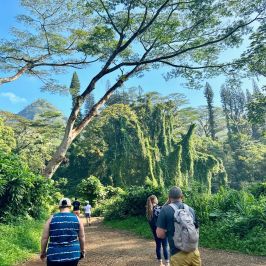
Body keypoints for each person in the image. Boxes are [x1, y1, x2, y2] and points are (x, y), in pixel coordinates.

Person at [156, 187, 201, 266]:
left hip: (177, 255)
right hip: (194, 252)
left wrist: (169, 231)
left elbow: (160, 234)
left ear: (169, 197)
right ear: (182, 196)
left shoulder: (165, 210)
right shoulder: (190, 210)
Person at [40, 198, 85, 266]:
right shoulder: (77, 218)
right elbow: (81, 237)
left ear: (59, 207)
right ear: (70, 206)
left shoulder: (51, 218)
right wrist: (82, 250)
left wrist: (43, 252)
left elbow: (44, 238)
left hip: (54, 256)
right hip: (73, 255)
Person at [146, 195, 170, 266]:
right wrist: (169, 199)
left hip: (154, 232)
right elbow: (164, 207)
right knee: (165, 246)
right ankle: (167, 263)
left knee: (158, 246)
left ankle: (160, 263)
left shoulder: (148, 211)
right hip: (162, 231)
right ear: (155, 200)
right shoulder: (157, 209)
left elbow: (162, 207)